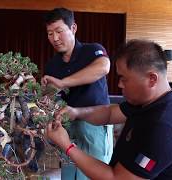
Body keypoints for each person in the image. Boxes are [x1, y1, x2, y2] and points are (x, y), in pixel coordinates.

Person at [46, 39, 172, 179]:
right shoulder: (151, 100)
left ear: (152, 79)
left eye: (124, 79)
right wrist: (76, 112)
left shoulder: (163, 128)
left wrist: (67, 146)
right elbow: (110, 113)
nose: (119, 84)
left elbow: (116, 178)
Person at [41, 7, 113, 179]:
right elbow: (52, 95)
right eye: (50, 33)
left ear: (73, 28)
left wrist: (63, 82)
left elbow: (104, 67)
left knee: (93, 174)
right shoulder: (52, 65)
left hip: (94, 124)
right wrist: (44, 95)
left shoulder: (91, 51)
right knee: (69, 172)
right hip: (69, 126)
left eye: (59, 31)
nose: (55, 38)